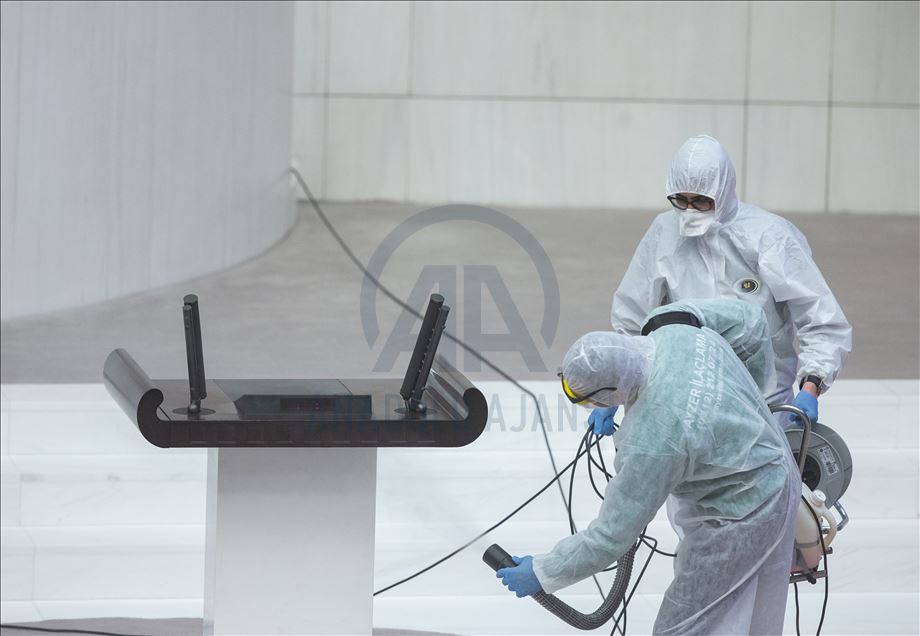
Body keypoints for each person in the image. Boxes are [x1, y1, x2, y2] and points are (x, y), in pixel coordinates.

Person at [497, 300, 800, 634]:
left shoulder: (654, 438)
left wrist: (542, 571)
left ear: (614, 388)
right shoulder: (671, 325)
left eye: (588, 399)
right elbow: (751, 320)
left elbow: (611, 537)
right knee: (737, 618)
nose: (591, 406)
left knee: (683, 628)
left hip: (746, 511)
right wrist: (749, 400)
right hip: (769, 454)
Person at [589, 135, 851, 437]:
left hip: (762, 406)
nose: (690, 211)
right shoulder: (664, 234)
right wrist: (615, 387)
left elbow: (820, 318)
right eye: (681, 200)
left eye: (701, 201)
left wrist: (812, 384)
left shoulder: (769, 238)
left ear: (723, 190)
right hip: (685, 404)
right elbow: (632, 318)